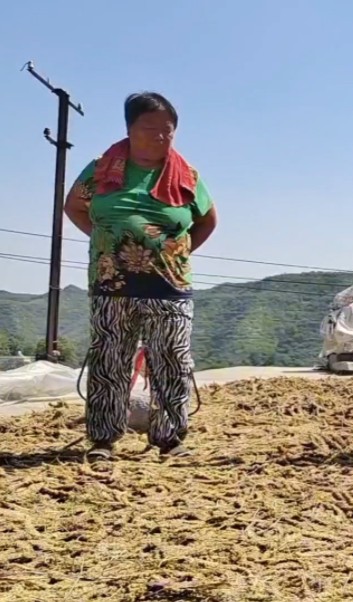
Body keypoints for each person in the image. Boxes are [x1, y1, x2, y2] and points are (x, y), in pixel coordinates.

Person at [64, 91, 218, 461]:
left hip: (169, 287)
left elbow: (207, 220)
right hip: (111, 286)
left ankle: (169, 438)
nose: (160, 138)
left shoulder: (188, 176)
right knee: (110, 360)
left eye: (168, 132)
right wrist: (107, 244)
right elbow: (74, 207)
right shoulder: (101, 169)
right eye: (150, 129)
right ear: (130, 130)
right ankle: (103, 439)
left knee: (171, 361)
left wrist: (174, 254)